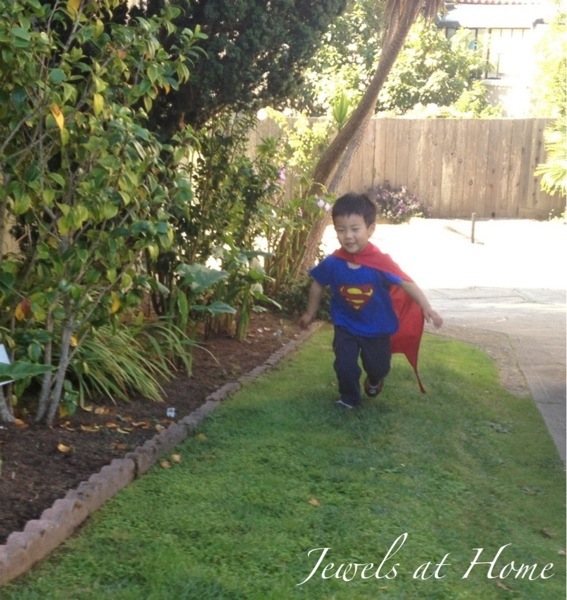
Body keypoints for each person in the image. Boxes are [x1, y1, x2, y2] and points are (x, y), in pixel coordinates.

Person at [299, 192, 443, 408]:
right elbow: (318, 284)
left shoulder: (380, 262)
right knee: (344, 364)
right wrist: (310, 313)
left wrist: (427, 308)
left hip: (377, 328)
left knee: (378, 366)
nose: (348, 236)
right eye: (341, 230)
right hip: (346, 325)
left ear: (371, 229)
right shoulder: (333, 262)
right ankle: (349, 399)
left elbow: (406, 282)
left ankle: (375, 379)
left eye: (355, 229)